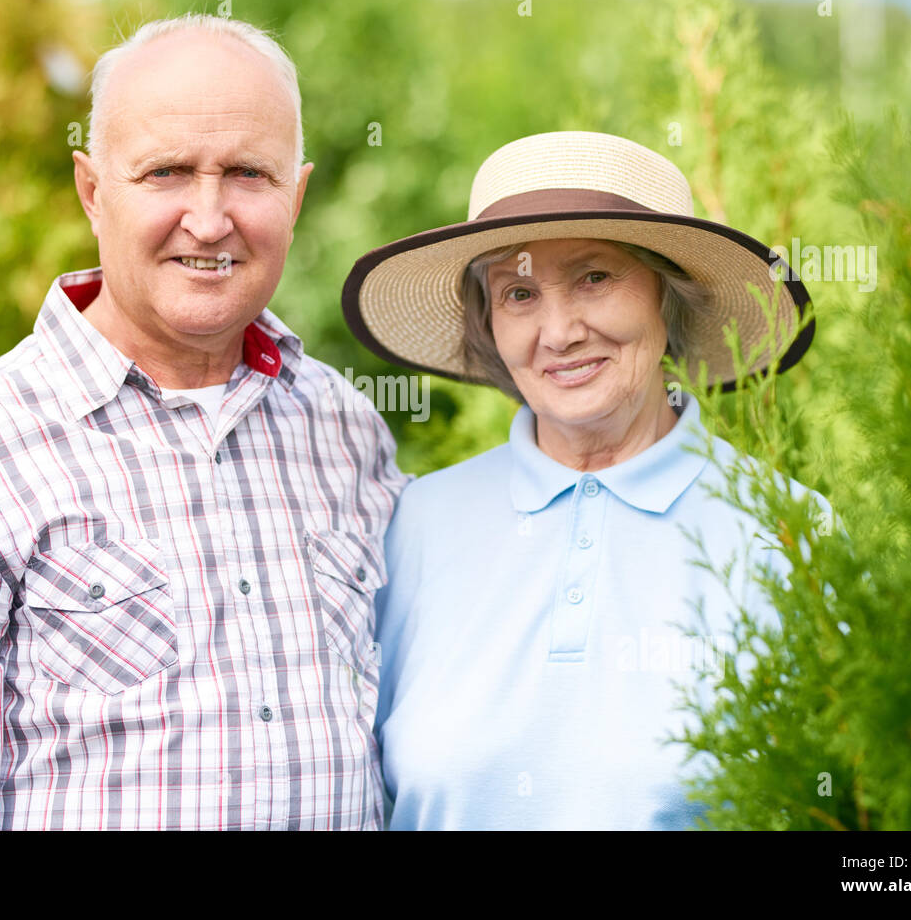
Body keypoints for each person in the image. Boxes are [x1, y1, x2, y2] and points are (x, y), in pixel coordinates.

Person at [0, 15, 407, 830]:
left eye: (249, 174)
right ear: (92, 190)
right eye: (168, 172)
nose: (210, 219)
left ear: (298, 194)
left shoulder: (347, 431)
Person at [342, 130, 828, 829]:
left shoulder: (789, 532)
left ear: (670, 297)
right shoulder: (415, 522)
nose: (559, 330)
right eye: (519, 292)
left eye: (595, 278)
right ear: (490, 325)